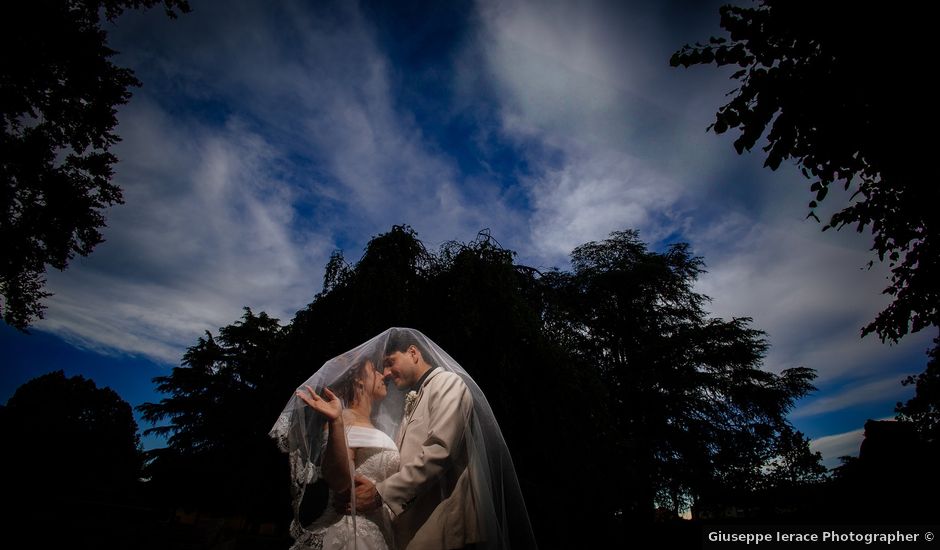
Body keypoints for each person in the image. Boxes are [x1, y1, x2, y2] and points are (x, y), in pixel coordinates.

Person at [350, 328, 538, 550]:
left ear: (413, 353)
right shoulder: (415, 397)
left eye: (390, 362)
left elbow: (440, 450)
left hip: (447, 529)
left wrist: (381, 492)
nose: (387, 373)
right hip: (418, 527)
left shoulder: (448, 383)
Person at [270, 340, 404, 550]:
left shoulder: (377, 425)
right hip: (352, 533)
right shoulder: (344, 419)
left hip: (383, 530)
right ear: (359, 380)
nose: (383, 375)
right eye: (374, 370)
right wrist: (336, 421)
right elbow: (339, 481)